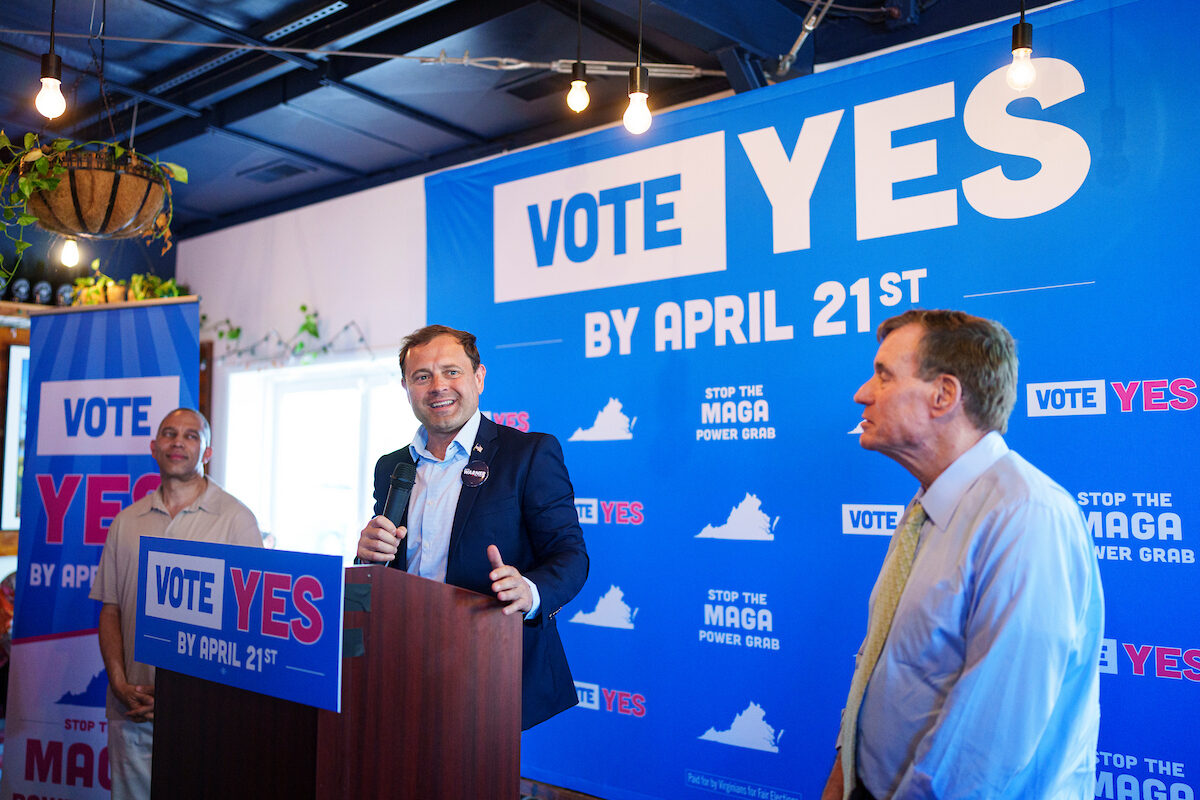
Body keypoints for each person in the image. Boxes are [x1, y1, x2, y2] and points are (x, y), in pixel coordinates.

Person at [823, 310, 1102, 800]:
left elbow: (985, 750)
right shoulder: (927, 506)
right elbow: (892, 676)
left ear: (944, 395)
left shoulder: (1025, 516)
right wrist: (847, 775)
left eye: (884, 375)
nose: (862, 394)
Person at [357, 324, 588, 730]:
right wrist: (366, 555)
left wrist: (529, 590)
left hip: (491, 665)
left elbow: (570, 555)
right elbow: (379, 571)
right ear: (406, 387)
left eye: (451, 371)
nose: (437, 386)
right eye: (422, 376)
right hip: (402, 659)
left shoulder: (528, 454)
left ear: (479, 377)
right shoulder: (391, 466)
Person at [90, 408, 262, 799]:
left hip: (204, 714)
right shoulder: (126, 520)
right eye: (169, 434)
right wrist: (118, 683)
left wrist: (184, 700)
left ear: (207, 452)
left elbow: (248, 626)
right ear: (154, 447)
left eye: (190, 435)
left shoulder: (237, 520)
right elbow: (110, 608)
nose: (178, 442)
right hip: (131, 708)